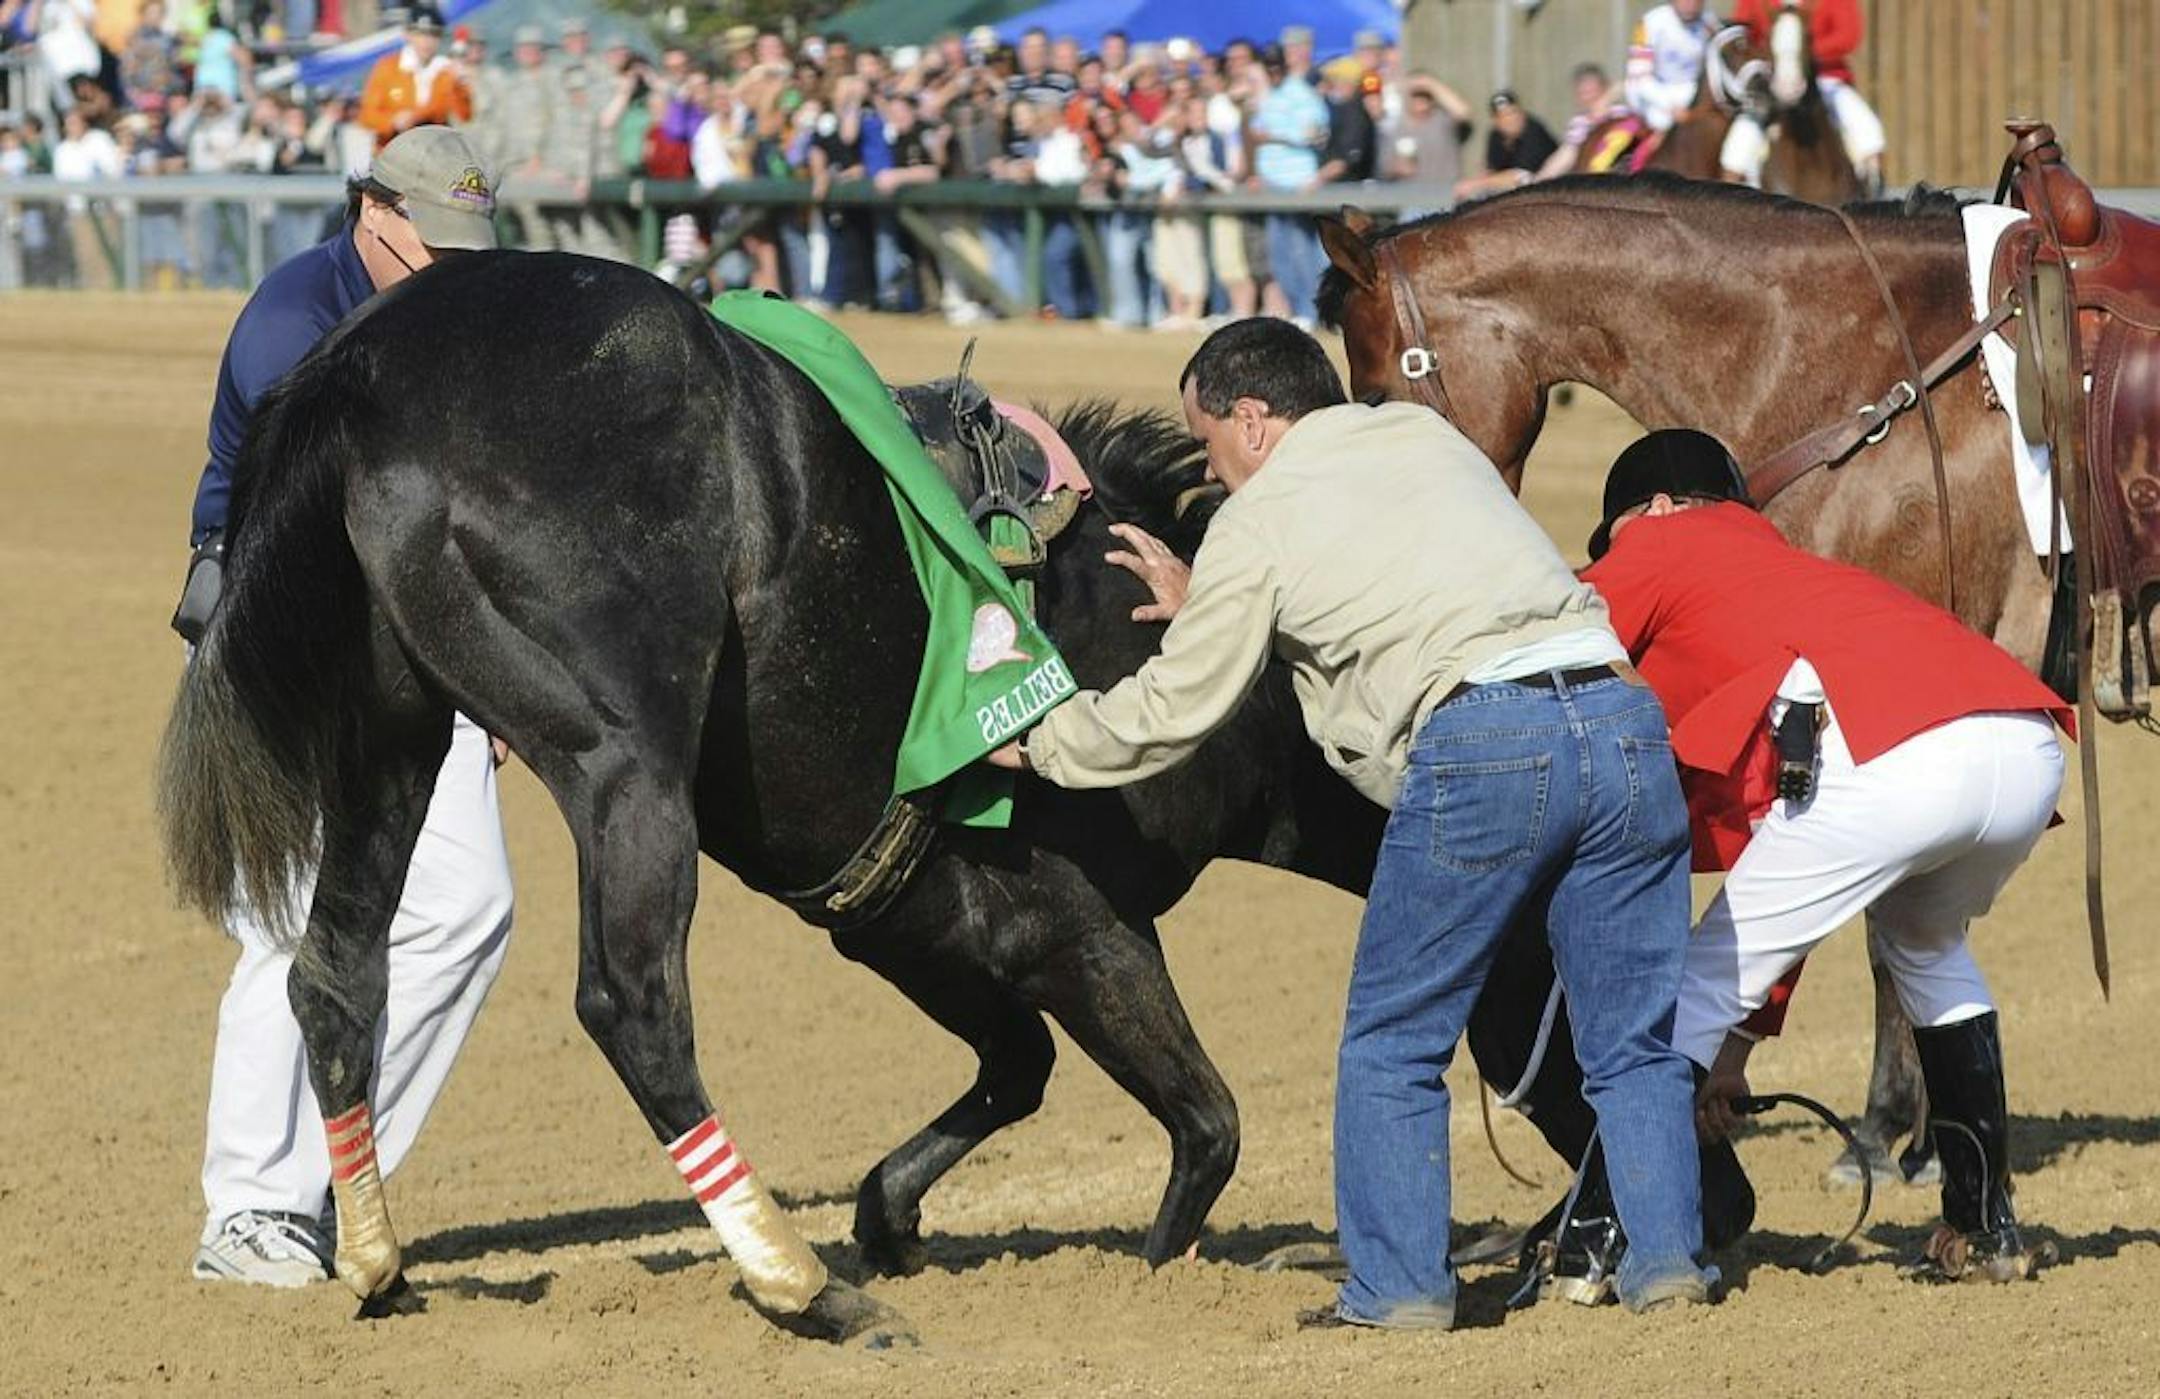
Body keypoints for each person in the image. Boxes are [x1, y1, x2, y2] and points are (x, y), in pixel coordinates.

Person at [989, 319, 1713, 1327]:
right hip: (1623, 723)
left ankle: (1402, 1286)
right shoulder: (1426, 438)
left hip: (1485, 741)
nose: (1211, 466)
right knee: (1631, 1039)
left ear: (1251, 419)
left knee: (1394, 1038)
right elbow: (1405, 585)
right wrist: (1216, 600)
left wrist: (1043, 741)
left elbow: (1171, 714)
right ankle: (1671, 1263)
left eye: (1208, 442)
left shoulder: (1257, 520)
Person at [1580, 429, 2070, 1284]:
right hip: (2020, 738)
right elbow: (1799, 863)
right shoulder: (1792, 569)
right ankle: (1984, 1228)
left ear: (1658, 507)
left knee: (1691, 987)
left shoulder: (1664, 537)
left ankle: (1599, 1228)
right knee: (1924, 943)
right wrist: (1736, 1054)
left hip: (1887, 751)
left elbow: (1550, 633)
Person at [180, 126, 516, 1288]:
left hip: (418, 643)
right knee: (288, 919)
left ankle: (331, 1185)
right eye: (435, 244)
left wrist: (500, 665)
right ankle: (250, 1208)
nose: (456, 268)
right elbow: (292, 553)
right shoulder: (293, 325)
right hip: (283, 641)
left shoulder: (455, 311)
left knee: (468, 909)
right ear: (371, 212)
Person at [1720, 0, 1885, 188]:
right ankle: (1730, 191)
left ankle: (1872, 185)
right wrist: (1771, 56)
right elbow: (1741, 35)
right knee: (1740, 139)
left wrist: (1802, 53)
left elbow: (1848, 36)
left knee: (1867, 128)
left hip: (1826, 76)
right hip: (1769, 79)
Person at [1248, 27, 1329, 324]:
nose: (1273, 73)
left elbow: (1314, 135)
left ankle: (1311, 310)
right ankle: (1297, 309)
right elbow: (1257, 133)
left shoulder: (1303, 94)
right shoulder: (1267, 97)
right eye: (1267, 68)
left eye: (1276, 67)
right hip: (1272, 183)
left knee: (1300, 249)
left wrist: (1275, 136)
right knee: (1279, 254)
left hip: (1298, 183)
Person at [357, 14, 471, 150]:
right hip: (393, 151)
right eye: (421, 34)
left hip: (433, 151)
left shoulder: (444, 70)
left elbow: (464, 115)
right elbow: (366, 117)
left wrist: (460, 86)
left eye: (433, 35)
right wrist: (393, 121)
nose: (427, 41)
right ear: (407, 35)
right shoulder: (388, 68)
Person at [1625, 0, 1720, 132]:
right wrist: (1670, 106)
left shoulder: (1710, 22)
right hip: (1655, 93)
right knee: (1664, 123)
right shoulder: (1650, 22)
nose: (1690, 4)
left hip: (1692, 93)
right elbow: (1640, 79)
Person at [1451, 89, 1558, 202]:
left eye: (1513, 112)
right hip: (1526, 194)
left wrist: (1475, 184)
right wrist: (1474, 185)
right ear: (1496, 120)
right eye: (1504, 115)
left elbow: (1521, 177)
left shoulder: (1534, 131)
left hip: (1553, 191)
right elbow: (1490, 170)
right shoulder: (1495, 135)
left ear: (1521, 113)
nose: (1511, 119)